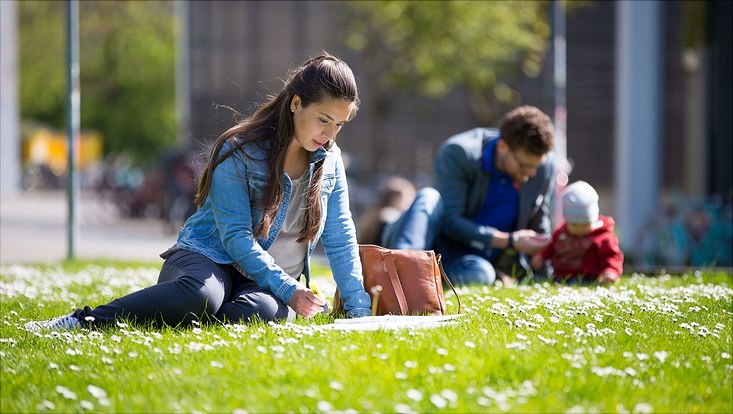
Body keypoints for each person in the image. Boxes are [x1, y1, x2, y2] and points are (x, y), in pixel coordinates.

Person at [26, 53, 372, 331]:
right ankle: (85, 320)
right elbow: (236, 237)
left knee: (257, 313)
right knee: (200, 297)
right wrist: (289, 289)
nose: (330, 134)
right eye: (324, 120)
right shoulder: (240, 151)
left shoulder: (331, 160)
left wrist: (359, 311)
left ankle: (208, 316)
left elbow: (340, 235)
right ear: (296, 103)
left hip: (267, 283)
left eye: (339, 125)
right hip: (209, 259)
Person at [381, 105, 556, 285]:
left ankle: (424, 282)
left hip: (465, 261)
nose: (531, 173)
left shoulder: (543, 167)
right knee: (428, 197)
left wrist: (543, 250)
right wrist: (510, 241)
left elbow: (539, 216)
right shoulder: (459, 153)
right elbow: (449, 221)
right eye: (523, 165)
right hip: (433, 244)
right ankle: (399, 274)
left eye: (536, 166)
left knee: (482, 274)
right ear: (502, 146)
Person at [531, 180, 624, 284]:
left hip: (588, 278)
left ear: (594, 219)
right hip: (560, 277)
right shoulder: (562, 233)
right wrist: (541, 256)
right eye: (574, 225)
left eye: (585, 225)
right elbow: (551, 246)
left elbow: (611, 256)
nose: (580, 229)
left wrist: (610, 270)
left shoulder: (603, 237)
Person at [356, 176, 416, 245]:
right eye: (408, 196)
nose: (411, 201)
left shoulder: (374, 214)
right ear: (394, 198)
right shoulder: (390, 216)